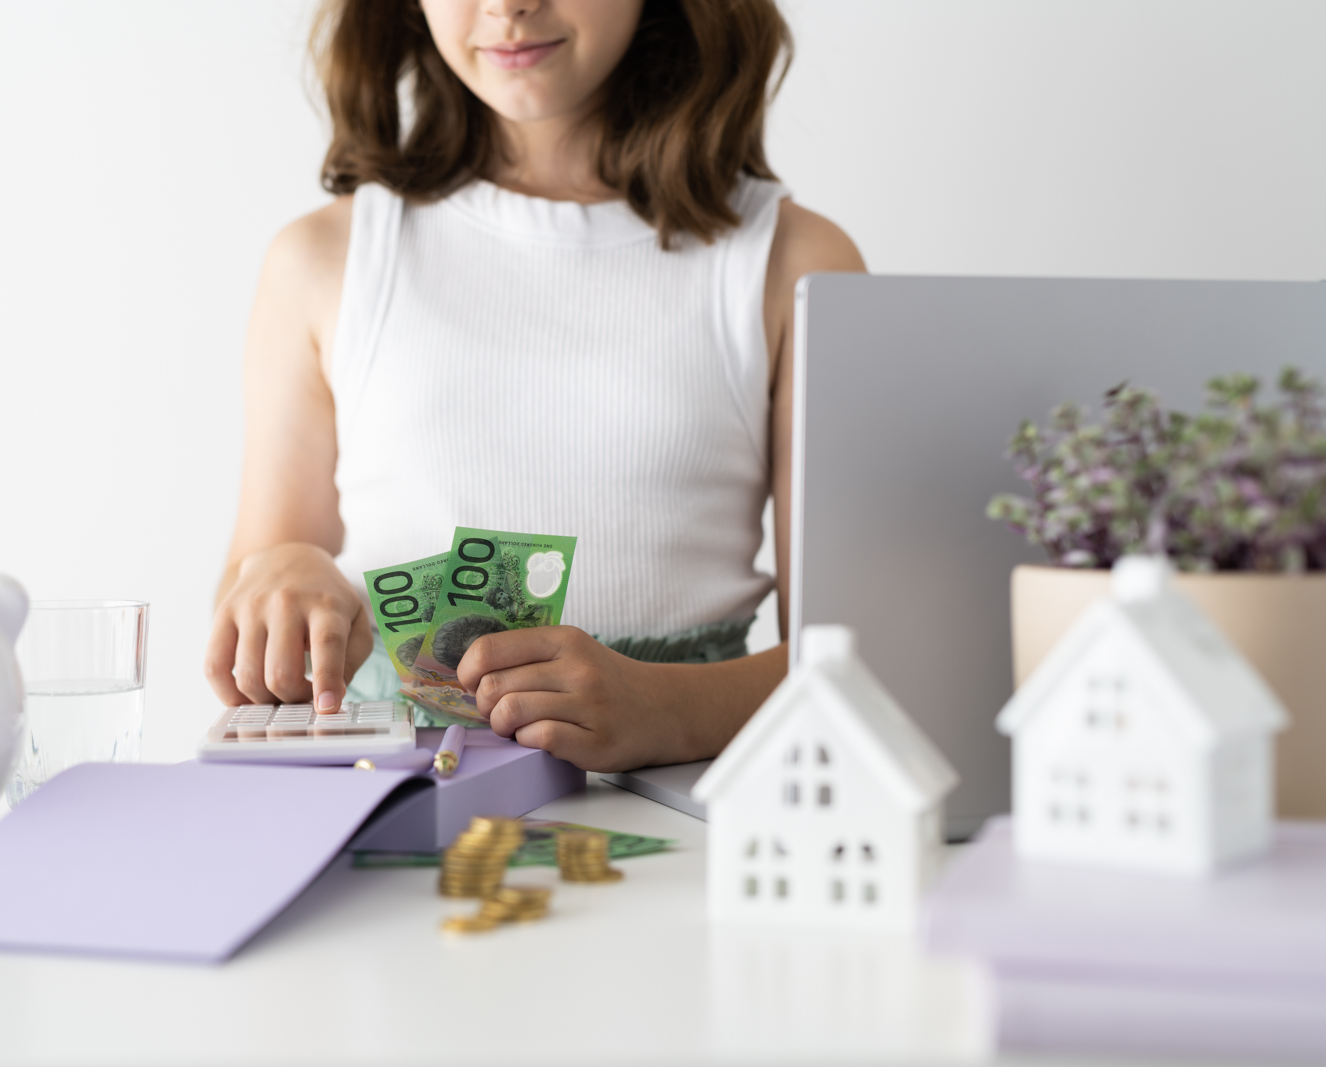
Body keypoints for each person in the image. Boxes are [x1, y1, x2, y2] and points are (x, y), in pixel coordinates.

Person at [204, 0, 865, 772]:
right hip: (392, 806)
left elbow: (854, 660)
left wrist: (670, 708)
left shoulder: (790, 263)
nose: (508, 6)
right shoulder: (323, 259)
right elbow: (255, 584)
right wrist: (282, 575)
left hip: (690, 819)